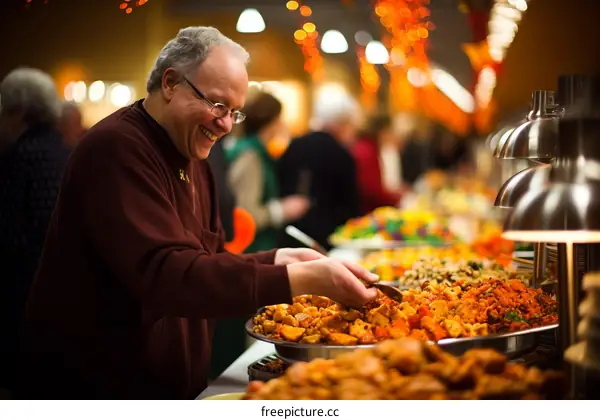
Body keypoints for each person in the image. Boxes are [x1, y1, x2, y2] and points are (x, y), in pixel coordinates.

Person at [16, 26, 379, 400]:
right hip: (98, 388)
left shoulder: (194, 153)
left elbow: (207, 260)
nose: (224, 124)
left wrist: (275, 259)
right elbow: (168, 275)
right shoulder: (117, 147)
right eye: (218, 105)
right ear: (171, 83)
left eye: (234, 113)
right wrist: (295, 279)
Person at [0, 67, 69, 395]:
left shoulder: (18, 157)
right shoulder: (67, 152)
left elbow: (9, 237)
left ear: (18, 112)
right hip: (67, 303)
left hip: (23, 300)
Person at [227, 91, 309, 253]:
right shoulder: (250, 156)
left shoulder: (252, 150)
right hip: (252, 250)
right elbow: (246, 213)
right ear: (272, 121)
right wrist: (283, 209)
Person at [277, 95, 362, 251]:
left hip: (293, 235)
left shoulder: (294, 145)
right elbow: (351, 203)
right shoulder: (341, 154)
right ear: (341, 124)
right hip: (331, 239)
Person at [352, 113, 407, 214]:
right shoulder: (367, 152)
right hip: (366, 211)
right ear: (383, 131)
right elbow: (372, 191)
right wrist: (396, 197)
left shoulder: (367, 147)